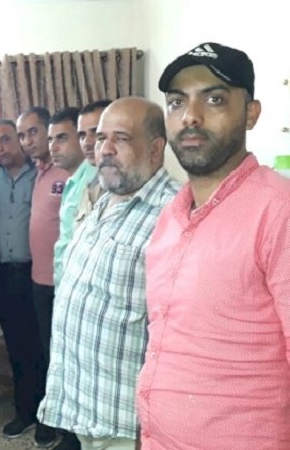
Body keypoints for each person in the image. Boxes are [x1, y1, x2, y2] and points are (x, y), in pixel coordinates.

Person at [138, 42, 290, 449]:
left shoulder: (278, 210)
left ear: (251, 113)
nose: (190, 116)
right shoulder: (172, 214)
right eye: (176, 102)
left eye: (214, 99)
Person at [38, 97, 180, 450]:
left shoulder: (175, 216)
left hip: (129, 425)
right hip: (87, 405)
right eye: (101, 138)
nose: (105, 149)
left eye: (122, 138)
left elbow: (184, 335)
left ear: (156, 148)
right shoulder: (105, 199)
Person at [0, 118, 51, 442]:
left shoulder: (40, 173)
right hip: (3, 273)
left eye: (6, 139)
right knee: (15, 345)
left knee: (42, 346)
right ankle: (24, 411)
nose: (0, 148)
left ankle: (47, 416)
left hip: (36, 273)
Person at [16, 107, 65, 447]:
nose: (27, 141)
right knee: (44, 355)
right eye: (23, 135)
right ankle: (48, 419)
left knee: (61, 359)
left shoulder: (71, 171)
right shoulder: (37, 172)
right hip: (38, 281)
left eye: (33, 132)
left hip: (64, 283)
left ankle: (64, 430)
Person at [49, 107, 96, 288]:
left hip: (81, 285)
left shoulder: (95, 180)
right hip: (66, 284)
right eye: (50, 139)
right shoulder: (74, 180)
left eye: (62, 138)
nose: (53, 147)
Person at [75, 100, 112, 226]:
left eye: (96, 133)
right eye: (82, 135)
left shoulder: (127, 186)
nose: (87, 143)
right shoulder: (92, 184)